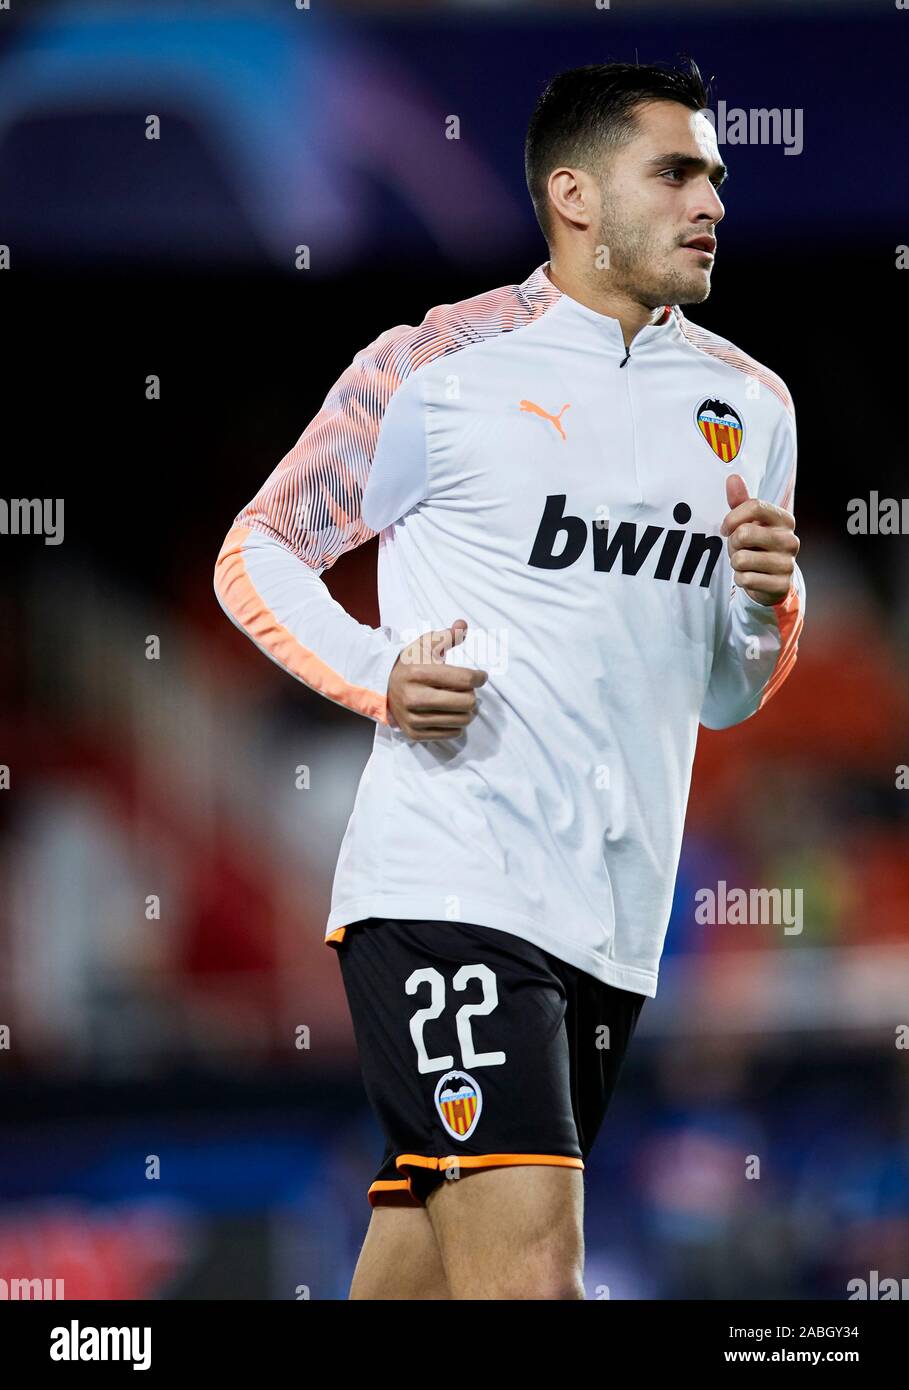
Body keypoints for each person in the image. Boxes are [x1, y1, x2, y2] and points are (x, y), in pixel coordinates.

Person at [214, 58, 804, 1300]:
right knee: (535, 1261)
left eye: (718, 176)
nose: (715, 202)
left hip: (613, 920)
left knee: (425, 1268)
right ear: (574, 195)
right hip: (451, 876)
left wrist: (764, 604)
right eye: (679, 171)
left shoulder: (751, 407)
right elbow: (257, 547)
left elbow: (727, 692)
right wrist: (381, 674)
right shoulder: (436, 368)